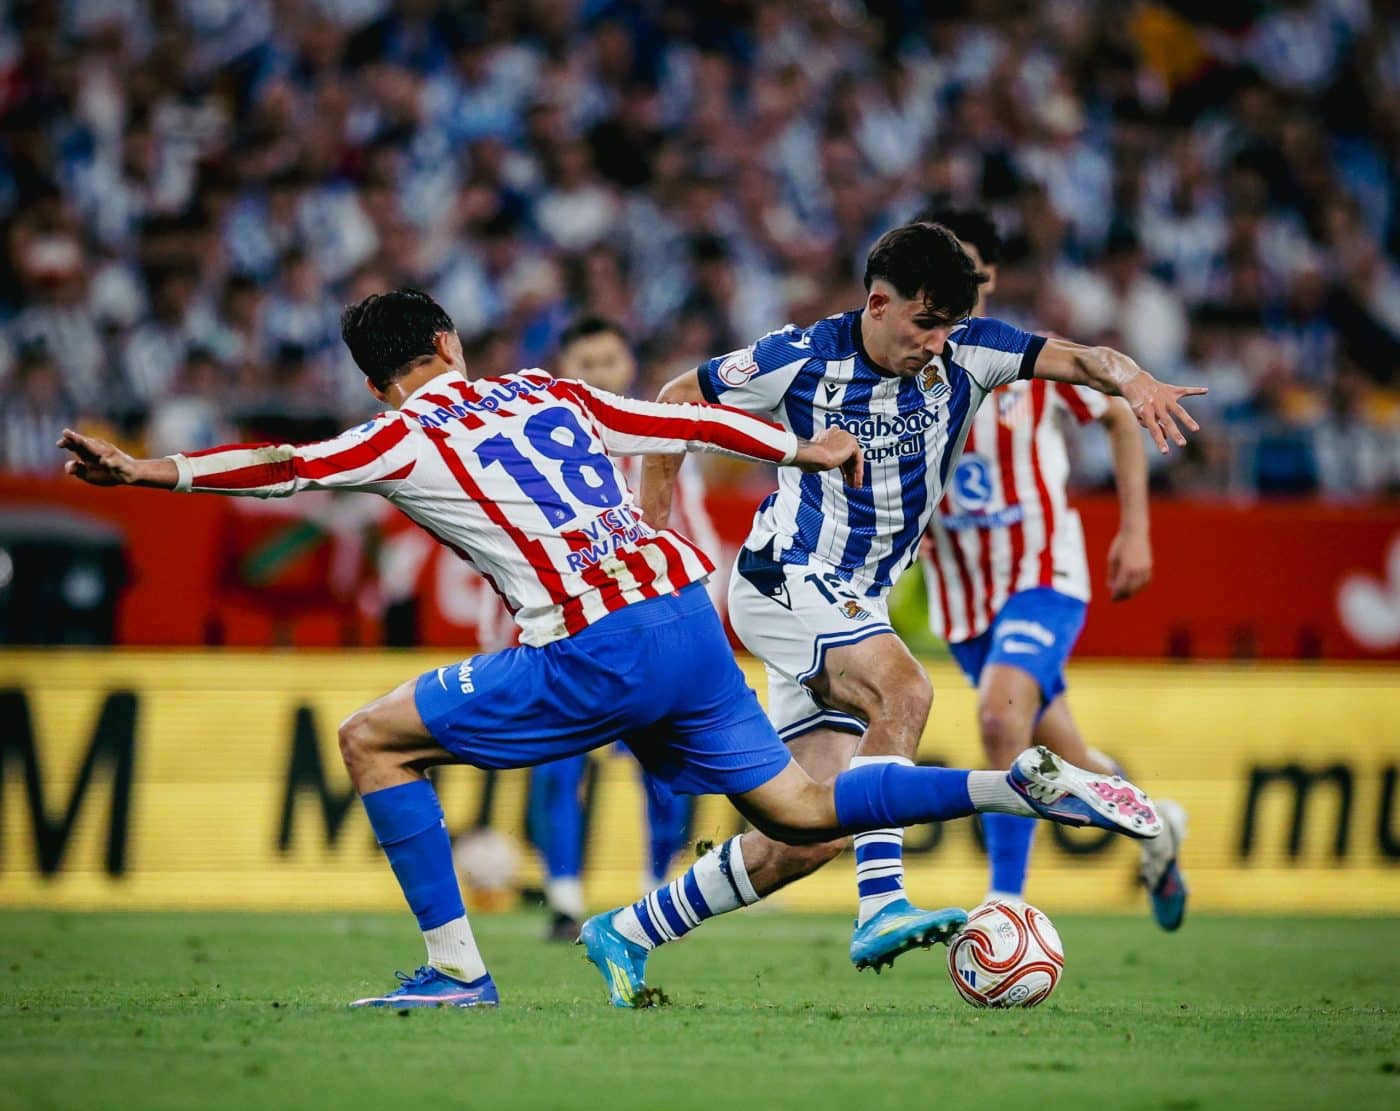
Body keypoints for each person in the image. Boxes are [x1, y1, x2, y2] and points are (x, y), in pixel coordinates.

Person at [57, 287, 1165, 1011]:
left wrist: (155, 472)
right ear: (449, 344)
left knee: (368, 738)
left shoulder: (396, 430)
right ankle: (1007, 784)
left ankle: (456, 972)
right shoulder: (544, 388)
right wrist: (802, 448)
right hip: (687, 615)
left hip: (594, 646)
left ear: (376, 377)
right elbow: (679, 423)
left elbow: (286, 465)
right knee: (796, 812)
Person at [583, 222, 1201, 1002]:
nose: (937, 343)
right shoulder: (798, 356)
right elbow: (675, 401)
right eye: (924, 323)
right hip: (786, 575)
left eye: (948, 325)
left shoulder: (974, 351)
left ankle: (629, 929)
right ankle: (883, 904)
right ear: (877, 302)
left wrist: (1134, 380)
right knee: (905, 690)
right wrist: (655, 536)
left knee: (807, 830)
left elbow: (1084, 359)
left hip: (851, 598)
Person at [915, 206, 1188, 929]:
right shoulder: (903, 363)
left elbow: (1118, 415)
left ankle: (1005, 906)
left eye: (964, 269)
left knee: (1000, 720)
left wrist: (1136, 529)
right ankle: (1156, 824)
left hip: (1042, 570)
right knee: (1059, 749)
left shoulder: (1025, 355)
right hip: (961, 593)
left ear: (990, 276)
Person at [530, 316, 709, 941]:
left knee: (665, 771)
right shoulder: (542, 455)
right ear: (565, 375)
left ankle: (655, 895)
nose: (601, 374)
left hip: (652, 635)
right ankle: (563, 900)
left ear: (628, 365)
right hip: (574, 638)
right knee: (560, 769)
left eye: (609, 361)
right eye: (588, 364)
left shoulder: (660, 441)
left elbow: (697, 538)